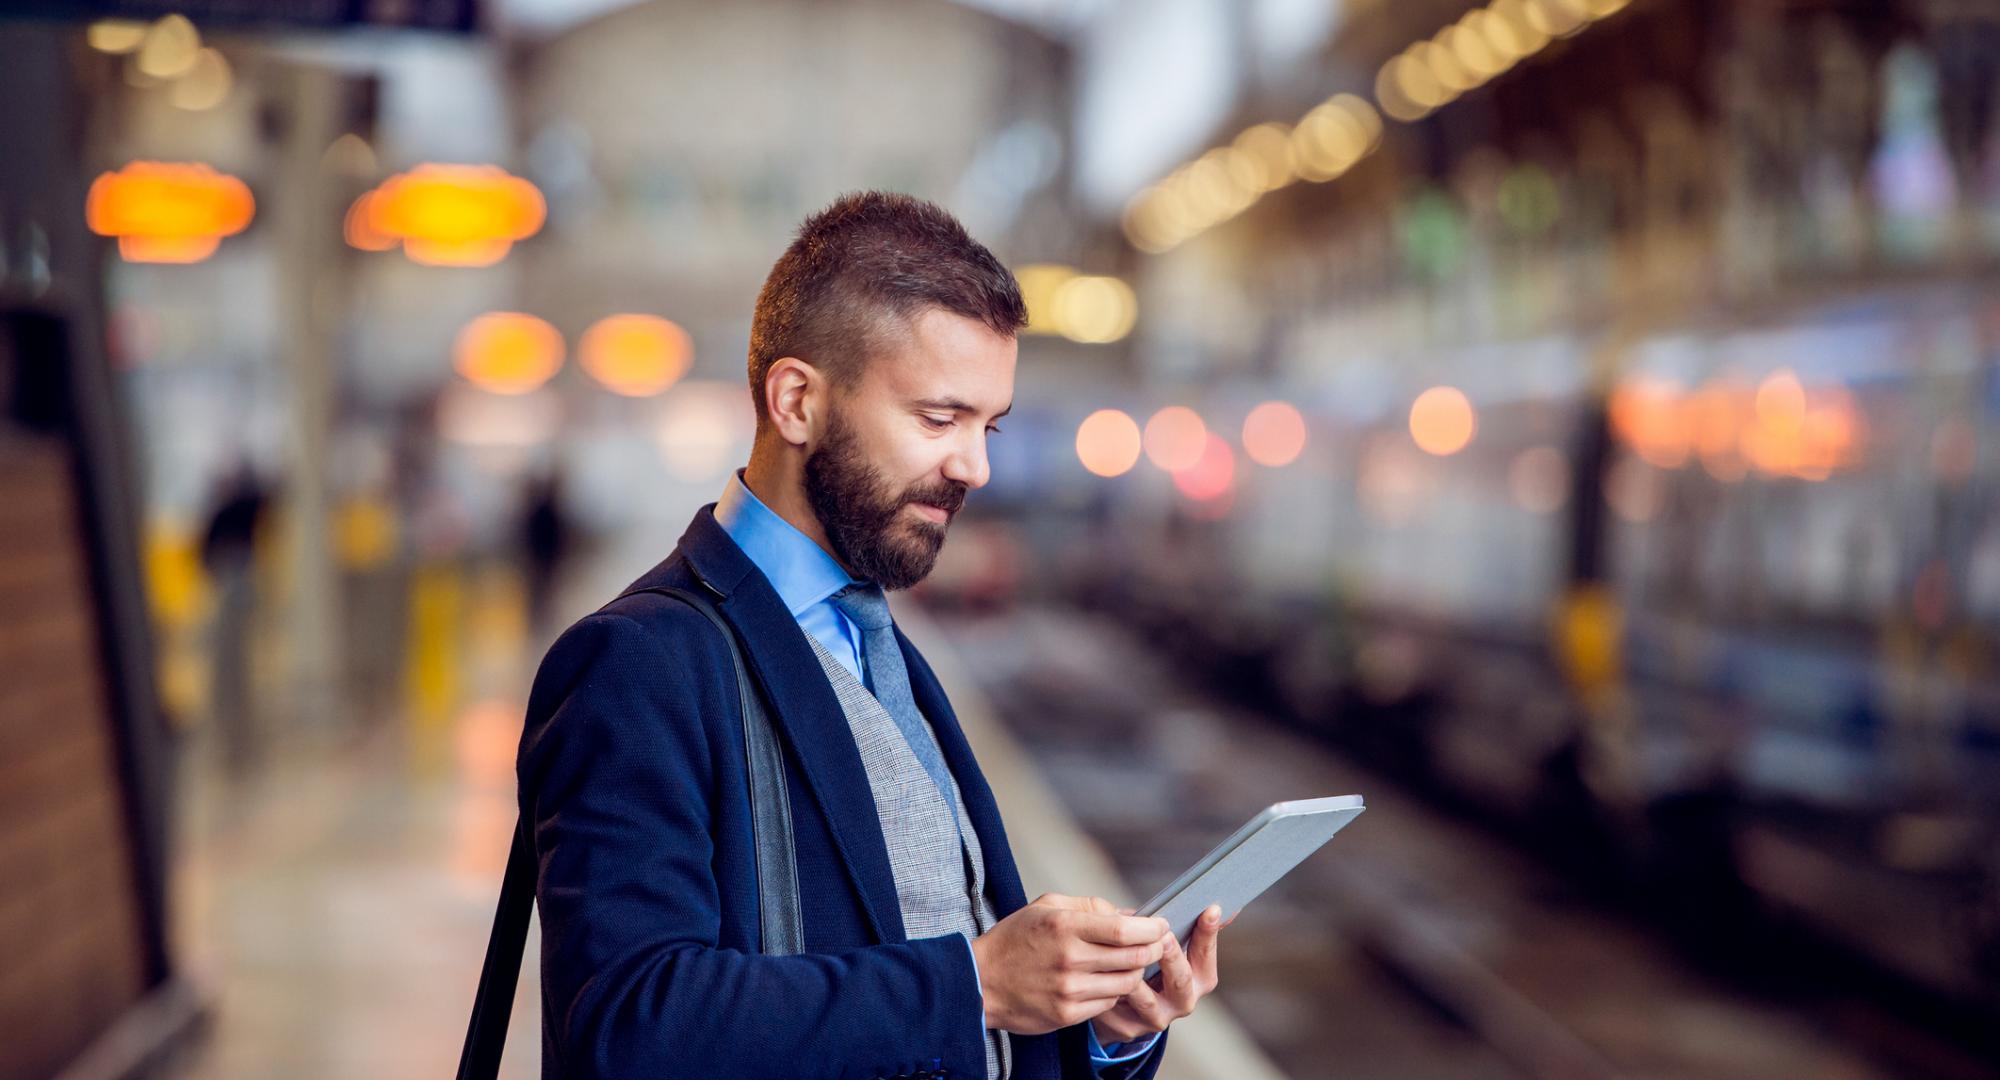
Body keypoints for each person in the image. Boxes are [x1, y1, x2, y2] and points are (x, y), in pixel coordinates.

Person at [518, 192, 1225, 1079]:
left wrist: (1093, 1028)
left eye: (987, 426)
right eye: (939, 419)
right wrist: (975, 985)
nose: (976, 466)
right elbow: (627, 1025)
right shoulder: (637, 663)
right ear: (796, 401)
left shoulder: (881, 644)